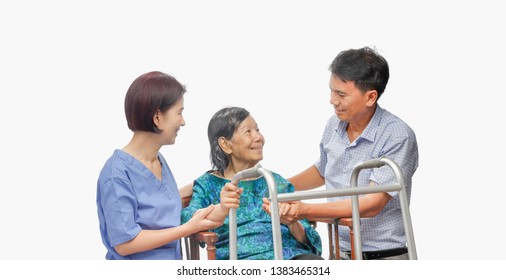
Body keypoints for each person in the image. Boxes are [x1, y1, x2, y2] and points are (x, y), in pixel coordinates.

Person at [262, 47, 419, 260]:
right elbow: (324, 170)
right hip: (340, 252)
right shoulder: (335, 124)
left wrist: (303, 209)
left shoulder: (397, 135)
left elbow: (371, 204)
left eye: (341, 94)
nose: (332, 100)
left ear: (370, 97)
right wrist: (278, 186)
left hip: (383, 256)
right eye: (331, 91)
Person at [96, 71, 237, 260]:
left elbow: (158, 205)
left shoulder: (158, 161)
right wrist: (187, 228)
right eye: (179, 113)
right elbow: (124, 244)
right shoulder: (116, 174)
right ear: (157, 117)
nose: (183, 122)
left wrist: (206, 189)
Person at [181, 107, 323, 260]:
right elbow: (186, 218)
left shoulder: (274, 182)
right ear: (225, 144)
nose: (259, 137)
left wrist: (291, 222)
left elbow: (311, 240)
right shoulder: (208, 184)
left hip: (290, 257)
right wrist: (219, 210)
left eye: (257, 130)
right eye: (248, 131)